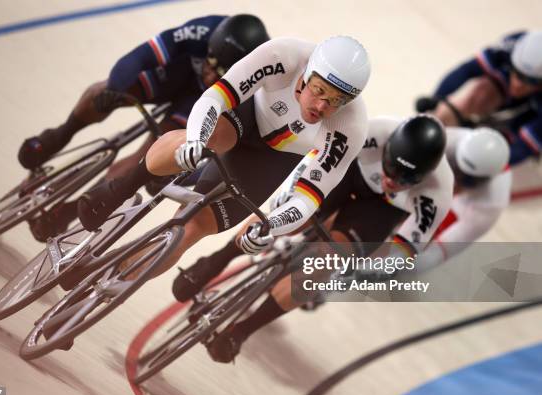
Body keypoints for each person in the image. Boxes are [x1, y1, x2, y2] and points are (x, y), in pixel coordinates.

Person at [74, 35, 371, 300]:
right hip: (245, 117)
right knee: (209, 138)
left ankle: (96, 294)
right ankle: (122, 187)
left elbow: (307, 200)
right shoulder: (283, 56)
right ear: (306, 74)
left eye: (335, 101)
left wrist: (269, 226)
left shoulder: (350, 128)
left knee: (189, 231)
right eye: (319, 90)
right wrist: (195, 139)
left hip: (272, 159)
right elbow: (215, 97)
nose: (321, 106)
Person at [177, 115, 454, 363]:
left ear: (426, 176)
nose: (393, 180)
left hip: (381, 211)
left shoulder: (438, 193)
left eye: (407, 178)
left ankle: (242, 331)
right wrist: (289, 199)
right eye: (391, 167)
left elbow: (406, 249)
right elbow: (315, 160)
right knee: (290, 216)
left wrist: (368, 272)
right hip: (349, 172)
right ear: (388, 147)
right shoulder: (371, 132)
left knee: (325, 263)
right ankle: (218, 259)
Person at [17, 14, 270, 241]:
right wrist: (116, 88)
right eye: (211, 64)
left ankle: (69, 211)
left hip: (202, 104)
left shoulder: (256, 80)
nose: (210, 76)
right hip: (176, 76)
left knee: (149, 157)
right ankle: (60, 135)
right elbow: (140, 57)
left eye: (221, 73)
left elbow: (215, 149)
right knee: (103, 91)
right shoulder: (204, 30)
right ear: (210, 46)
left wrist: (173, 171)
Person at [419, 30, 542, 166]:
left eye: (529, 80)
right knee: (482, 91)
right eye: (517, 72)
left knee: (511, 144)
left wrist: (486, 166)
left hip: (536, 110)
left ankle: (502, 136)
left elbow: (526, 145)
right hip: (519, 91)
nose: (518, 84)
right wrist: (438, 100)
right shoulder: (513, 45)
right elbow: (468, 70)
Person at [416, 127, 511, 271]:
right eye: (455, 168)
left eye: (467, 181)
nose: (455, 183)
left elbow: (436, 254)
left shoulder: (490, 204)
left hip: (466, 206)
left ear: (484, 182)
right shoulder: (448, 138)